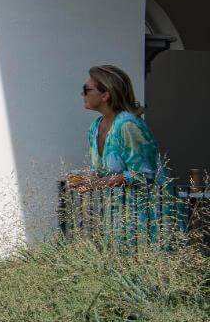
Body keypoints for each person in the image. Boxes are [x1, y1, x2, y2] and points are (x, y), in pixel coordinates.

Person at [66, 64, 180, 245]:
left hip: (146, 216)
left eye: (86, 89)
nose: (83, 94)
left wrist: (100, 183)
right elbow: (103, 171)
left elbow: (146, 175)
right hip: (118, 216)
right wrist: (85, 179)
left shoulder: (128, 126)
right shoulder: (95, 127)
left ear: (105, 94)